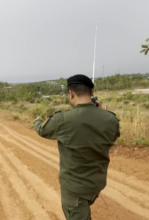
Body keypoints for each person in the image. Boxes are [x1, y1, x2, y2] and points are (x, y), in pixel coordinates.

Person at [33, 74, 120, 220]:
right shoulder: (111, 119)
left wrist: (37, 121)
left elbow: (42, 130)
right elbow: (112, 137)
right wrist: (100, 111)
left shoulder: (63, 119)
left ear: (71, 93)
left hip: (75, 188)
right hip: (96, 184)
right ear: (92, 93)